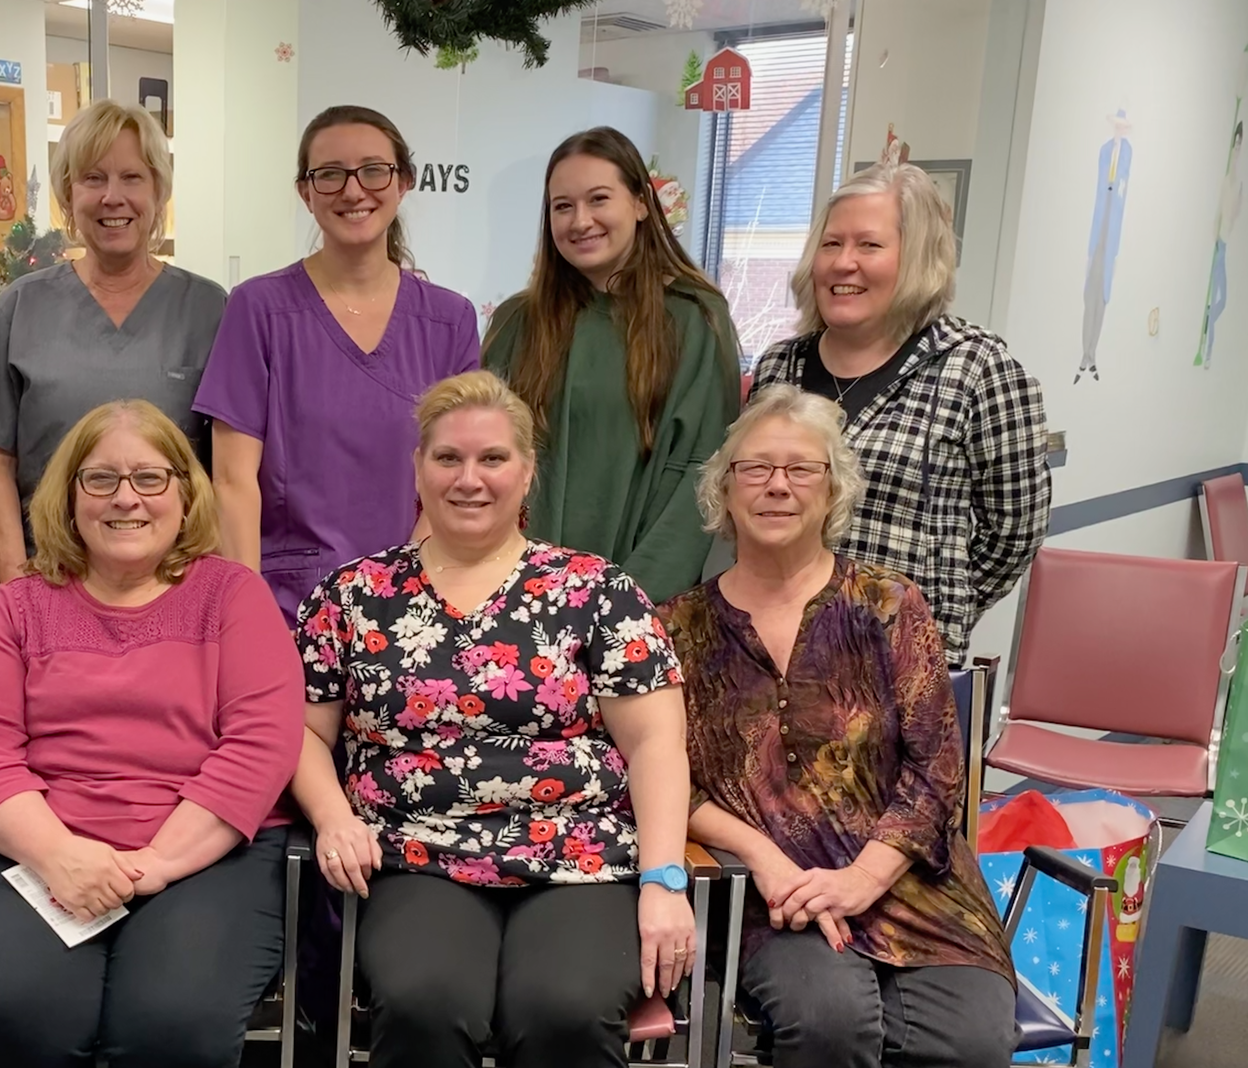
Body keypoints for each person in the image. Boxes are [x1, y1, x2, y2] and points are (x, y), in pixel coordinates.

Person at [293, 372, 696, 1068]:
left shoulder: (594, 592)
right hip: (418, 854)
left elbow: (655, 740)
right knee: (424, 1005)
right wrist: (333, 811)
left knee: (563, 1013)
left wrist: (662, 883)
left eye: (492, 458)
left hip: (577, 856)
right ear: (417, 467)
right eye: (448, 458)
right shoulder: (354, 593)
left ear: (527, 473)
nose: (469, 477)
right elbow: (302, 730)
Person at [659, 385, 1016, 1068]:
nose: (777, 485)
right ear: (723, 491)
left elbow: (942, 765)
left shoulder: (890, 605)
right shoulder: (678, 628)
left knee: (974, 1052)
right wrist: (761, 858)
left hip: (909, 878)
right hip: (769, 890)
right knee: (827, 1030)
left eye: (800, 469)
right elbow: (667, 782)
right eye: (756, 468)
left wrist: (868, 872)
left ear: (832, 490)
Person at [0, 400, 301, 1068]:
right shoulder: (18, 605)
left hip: (203, 851)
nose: (126, 498)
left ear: (185, 496)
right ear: (68, 496)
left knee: (175, 1026)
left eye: (151, 478)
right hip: (43, 845)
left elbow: (260, 746)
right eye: (100, 478)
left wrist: (147, 866)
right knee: (7, 1015)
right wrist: (62, 854)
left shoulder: (234, 597)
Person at [752, 162, 1050, 663]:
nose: (844, 263)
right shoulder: (780, 366)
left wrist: (936, 608)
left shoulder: (977, 368)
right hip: (772, 650)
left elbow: (1016, 529)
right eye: (831, 244)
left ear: (917, 259)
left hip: (897, 664)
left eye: (869, 245)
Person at [196, 104, 480, 624]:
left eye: (374, 170)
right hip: (288, 605)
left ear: (404, 183)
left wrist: (405, 593)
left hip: (416, 604)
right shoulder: (259, 310)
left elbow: (458, 476)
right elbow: (233, 482)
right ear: (306, 193)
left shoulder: (449, 321)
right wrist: (250, 621)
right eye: (329, 175)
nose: (353, 191)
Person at [0, 99, 226, 581]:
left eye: (132, 178)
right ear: (68, 195)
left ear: (159, 193)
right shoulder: (17, 309)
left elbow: (231, 467)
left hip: (174, 580)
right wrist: (16, 577)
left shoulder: (211, 310)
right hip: (50, 576)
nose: (113, 197)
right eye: (93, 178)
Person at [482, 126, 740, 607]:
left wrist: (625, 603)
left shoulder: (693, 317)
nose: (581, 221)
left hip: (636, 603)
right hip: (514, 601)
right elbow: (486, 459)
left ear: (641, 203)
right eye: (563, 206)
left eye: (599, 199)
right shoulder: (517, 322)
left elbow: (699, 471)